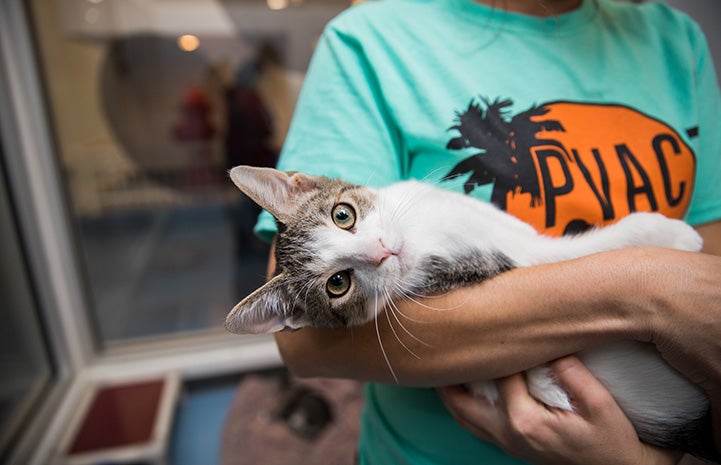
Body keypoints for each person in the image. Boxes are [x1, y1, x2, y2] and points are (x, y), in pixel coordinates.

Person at [251, 0, 721, 463]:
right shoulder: (369, 41)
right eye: (340, 278)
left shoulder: (676, 40)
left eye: (346, 220)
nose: (372, 252)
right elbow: (304, 342)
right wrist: (645, 290)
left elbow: (708, 301)